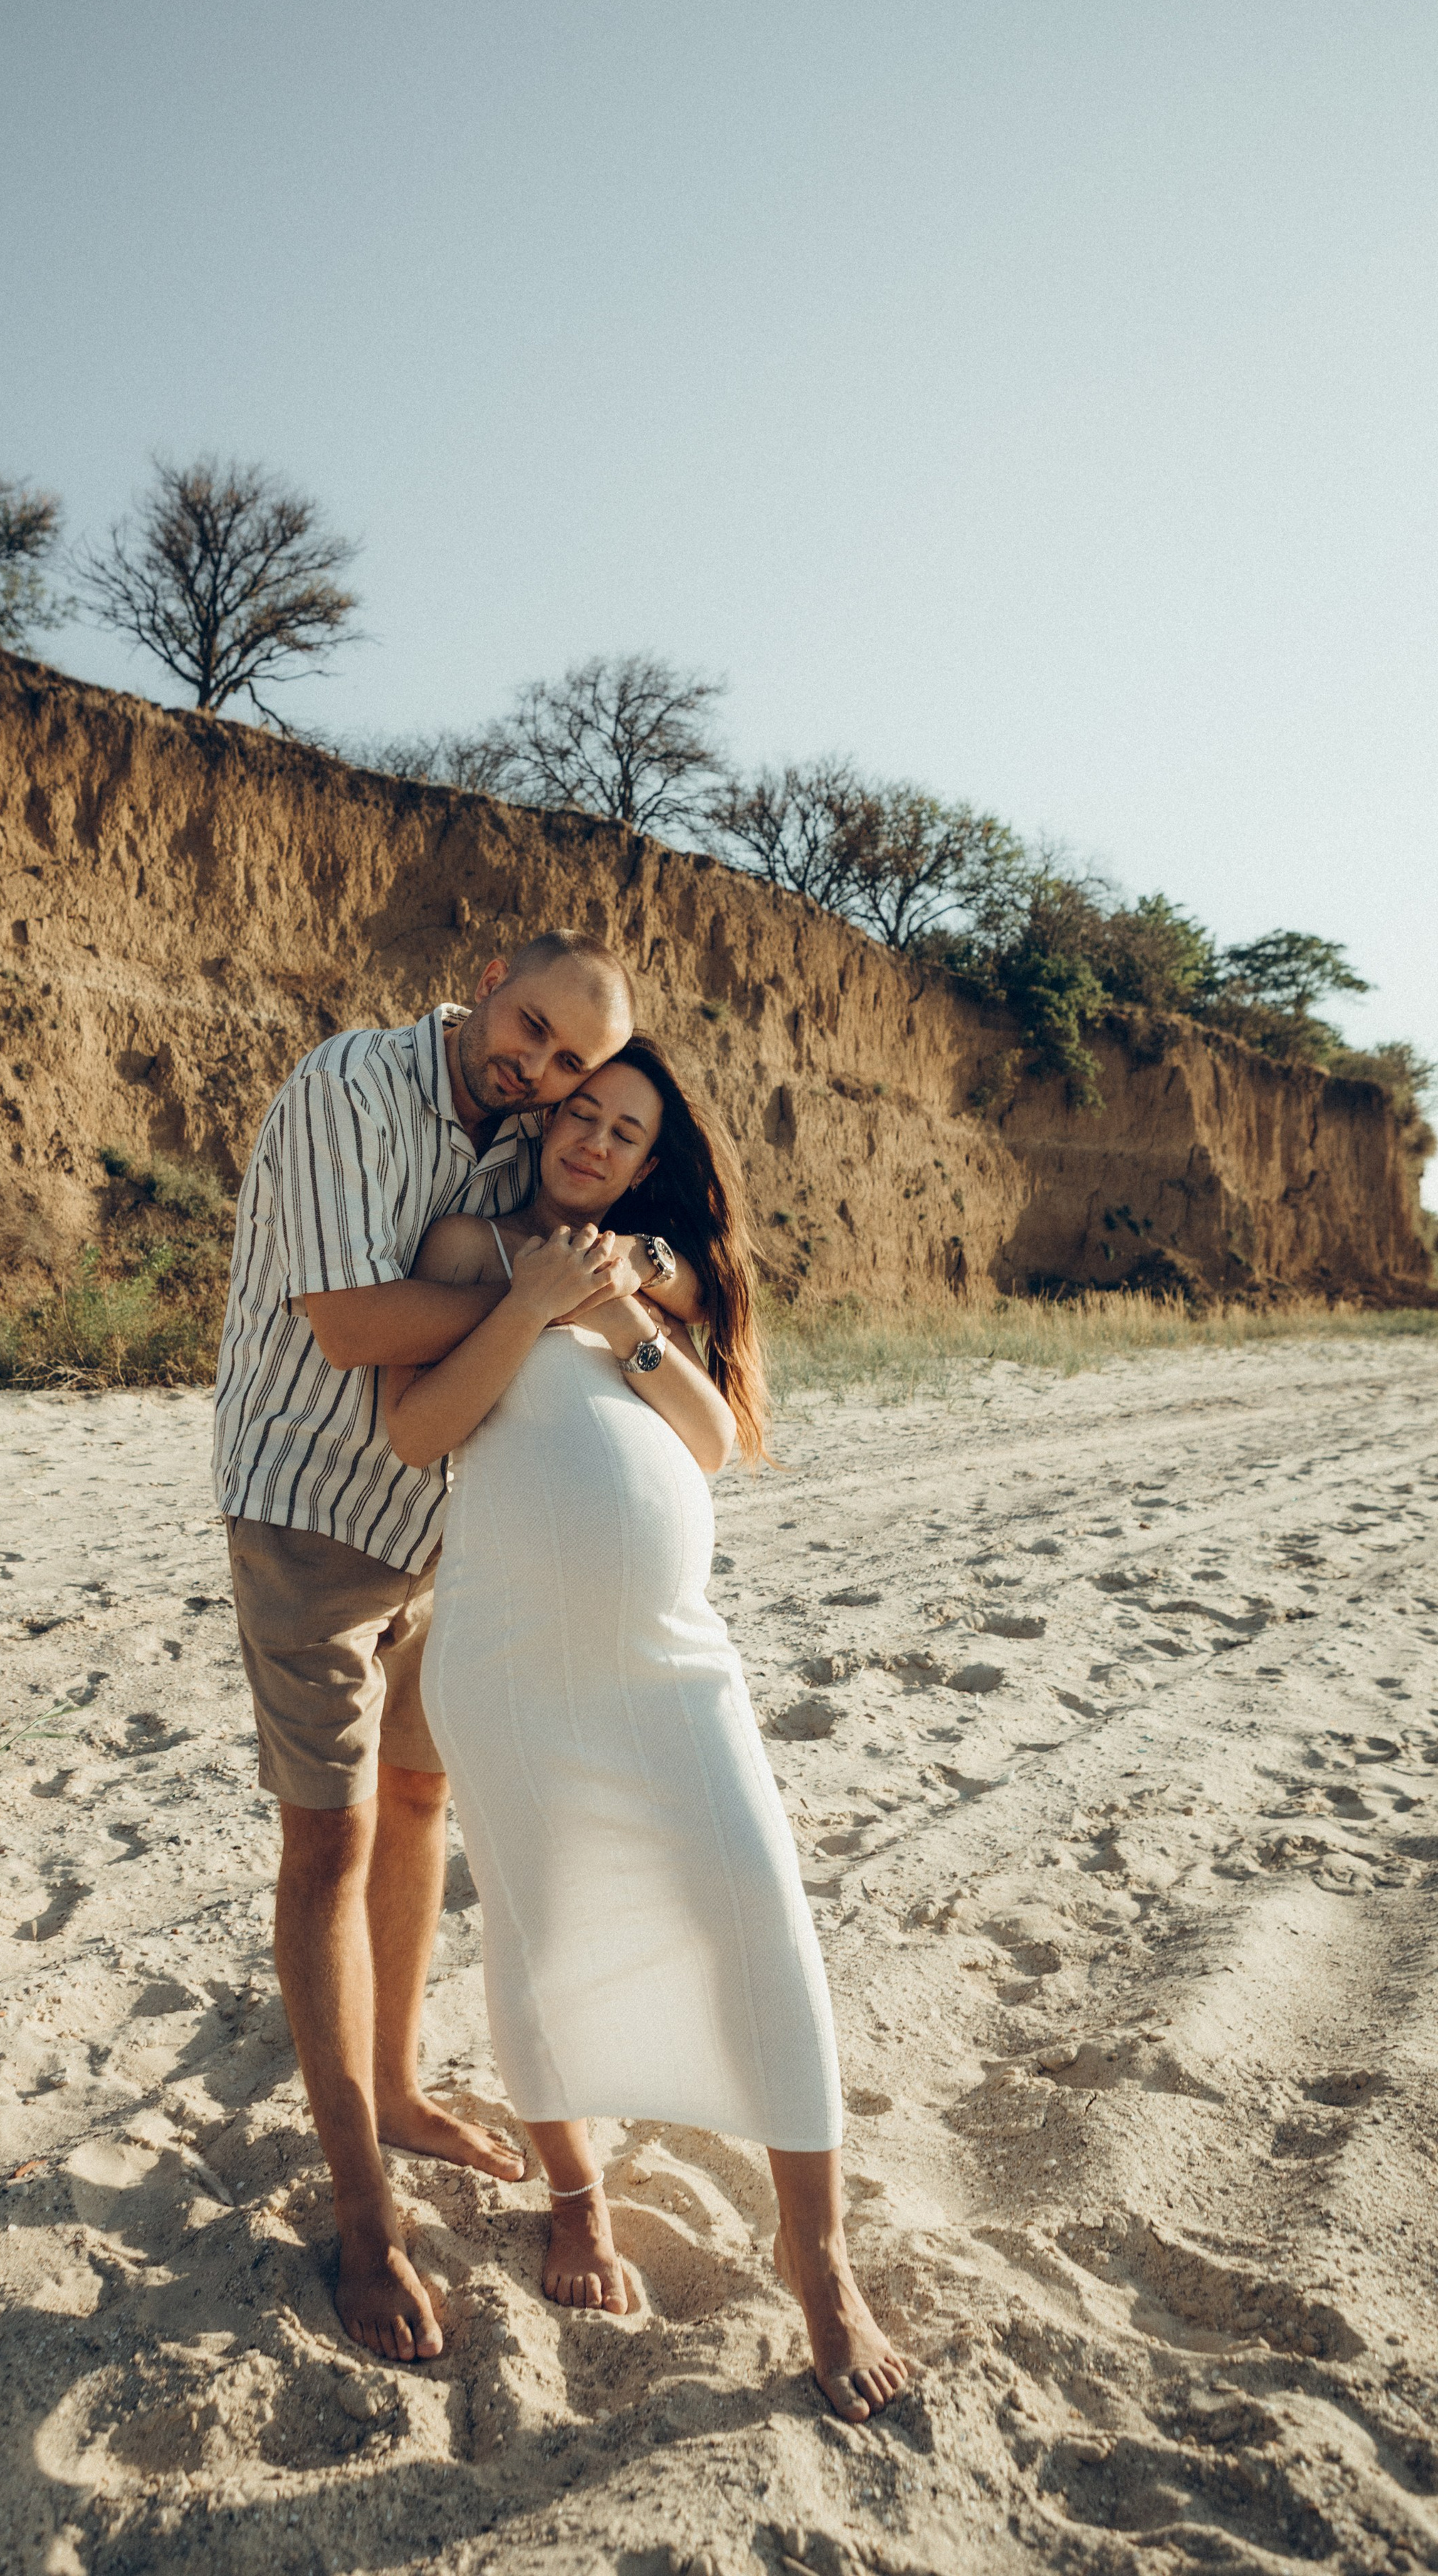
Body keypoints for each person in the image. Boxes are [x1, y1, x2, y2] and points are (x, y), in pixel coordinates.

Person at [382, 1036, 910, 2421]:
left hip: (672, 1660)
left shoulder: (653, 1271)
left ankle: (819, 2259)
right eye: (578, 1114)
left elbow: (709, 1439)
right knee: (541, 1931)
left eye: (625, 1130)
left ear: (647, 1158)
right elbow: (418, 1421)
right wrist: (533, 1298)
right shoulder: (463, 1244)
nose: (595, 1142)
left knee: (757, 1907)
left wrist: (618, 1317)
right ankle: (577, 2201)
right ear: (541, 1121)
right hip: (504, 1662)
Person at [211, 933, 689, 2365]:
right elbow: (353, 1322)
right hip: (308, 1515)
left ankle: (404, 2087)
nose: (533, 1070)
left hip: (448, 1525)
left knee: (421, 1802)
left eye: (563, 1064)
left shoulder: (524, 1133)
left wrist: (625, 1262)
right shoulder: (347, 1088)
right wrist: (546, 1293)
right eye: (528, 1031)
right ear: (484, 973)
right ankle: (361, 2215)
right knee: (328, 1850)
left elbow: (643, 1240)